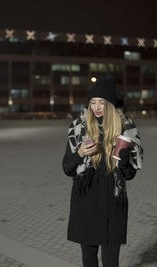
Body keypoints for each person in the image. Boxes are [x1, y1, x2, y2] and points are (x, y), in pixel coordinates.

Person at [62, 75, 143, 267]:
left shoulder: (127, 130)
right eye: (93, 102)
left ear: (111, 105)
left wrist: (123, 158)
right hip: (86, 203)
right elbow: (67, 168)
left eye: (102, 103)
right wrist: (80, 152)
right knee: (89, 261)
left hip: (113, 205)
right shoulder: (79, 129)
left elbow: (130, 175)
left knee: (110, 262)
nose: (97, 107)